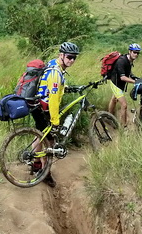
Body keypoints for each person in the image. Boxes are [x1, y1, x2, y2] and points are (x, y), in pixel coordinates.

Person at [30, 41, 80, 187]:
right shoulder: (56, 72)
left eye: (74, 58)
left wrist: (67, 88)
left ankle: (36, 163)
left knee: (40, 135)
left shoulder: (54, 64)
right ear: (61, 55)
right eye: (69, 57)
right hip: (44, 108)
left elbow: (54, 87)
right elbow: (52, 98)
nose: (71, 60)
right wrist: (55, 120)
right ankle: (45, 173)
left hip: (36, 104)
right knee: (49, 141)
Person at [107, 43, 141, 128]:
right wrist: (135, 82)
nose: (136, 54)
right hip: (116, 83)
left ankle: (109, 117)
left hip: (119, 84)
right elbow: (123, 77)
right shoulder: (122, 61)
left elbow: (128, 72)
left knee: (114, 99)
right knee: (124, 105)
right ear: (129, 51)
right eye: (134, 52)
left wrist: (134, 77)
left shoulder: (129, 60)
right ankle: (124, 126)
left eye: (138, 53)